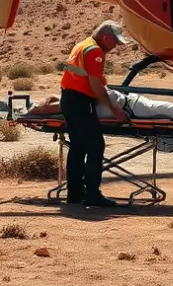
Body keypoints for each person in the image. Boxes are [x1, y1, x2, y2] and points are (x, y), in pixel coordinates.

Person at [58, 20, 130, 207]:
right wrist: (113, 110)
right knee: (96, 145)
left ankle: (74, 193)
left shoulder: (82, 45)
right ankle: (92, 193)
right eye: (115, 42)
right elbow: (95, 84)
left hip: (69, 99)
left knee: (78, 147)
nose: (115, 47)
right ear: (106, 37)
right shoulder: (95, 51)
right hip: (80, 102)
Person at [26, 88, 173, 124]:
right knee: (170, 110)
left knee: (170, 109)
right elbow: (41, 109)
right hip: (133, 109)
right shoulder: (68, 105)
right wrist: (32, 110)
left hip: (131, 104)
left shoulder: (74, 97)